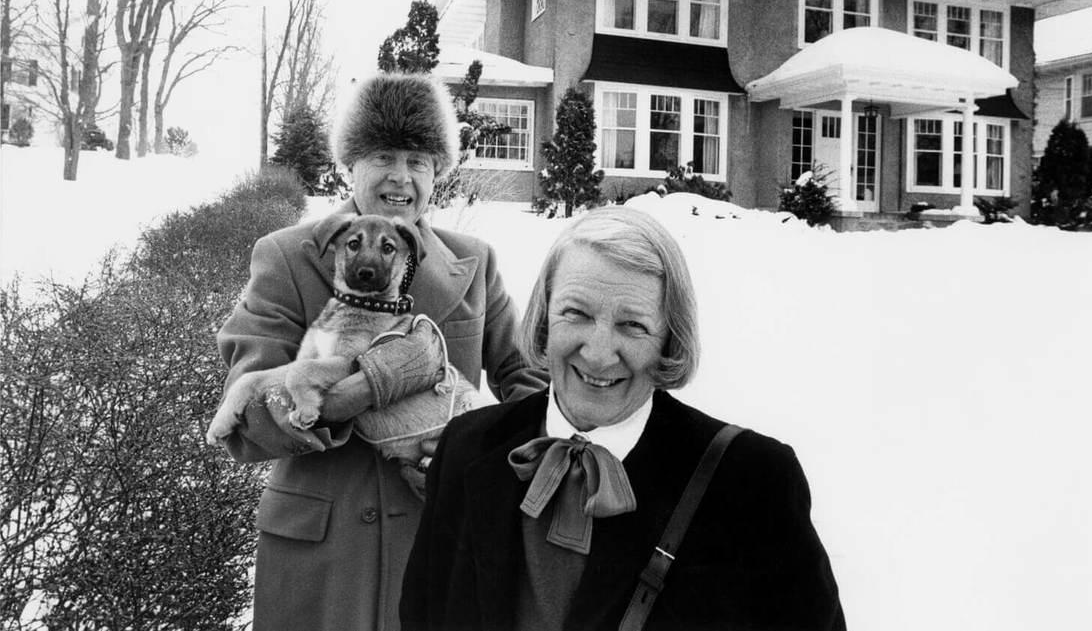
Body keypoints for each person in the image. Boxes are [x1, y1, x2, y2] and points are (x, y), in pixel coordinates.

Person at [401, 206, 845, 631]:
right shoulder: (468, 446)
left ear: (669, 339)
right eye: (576, 313)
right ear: (544, 319)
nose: (597, 354)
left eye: (632, 325)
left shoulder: (753, 481)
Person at [215, 73, 547, 631]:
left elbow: (527, 379)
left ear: (439, 170)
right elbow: (245, 419)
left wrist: (491, 453)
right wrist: (355, 392)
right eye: (383, 156)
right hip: (324, 554)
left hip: (439, 539)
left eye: (419, 160)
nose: (402, 177)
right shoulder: (288, 257)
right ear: (350, 164)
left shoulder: (475, 263)